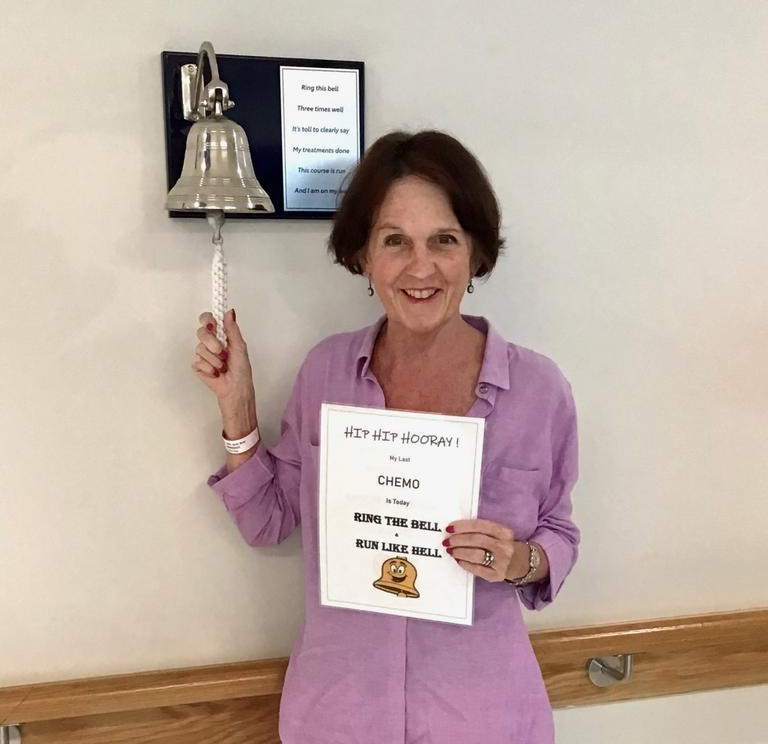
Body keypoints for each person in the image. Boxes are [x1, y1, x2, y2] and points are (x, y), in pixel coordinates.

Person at [192, 130, 580, 744]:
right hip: (338, 715)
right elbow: (268, 521)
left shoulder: (539, 390)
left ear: (475, 253)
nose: (419, 267)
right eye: (395, 241)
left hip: (484, 718)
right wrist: (237, 406)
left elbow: (557, 534)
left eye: (444, 240)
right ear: (363, 256)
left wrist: (517, 561)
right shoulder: (325, 373)